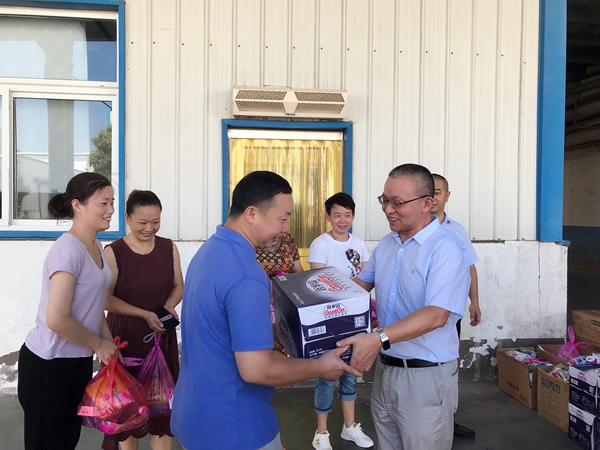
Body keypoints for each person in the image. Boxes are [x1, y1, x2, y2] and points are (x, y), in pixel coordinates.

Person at [171, 171, 361, 450]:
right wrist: (321, 366)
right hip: (236, 427)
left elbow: (219, 329)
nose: (286, 228)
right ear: (252, 213)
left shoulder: (209, 251)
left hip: (195, 415)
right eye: (283, 219)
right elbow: (258, 369)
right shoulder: (247, 274)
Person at [338, 163, 470, 450]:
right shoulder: (388, 245)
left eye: (397, 202)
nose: (388, 209)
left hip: (425, 377)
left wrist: (378, 338)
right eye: (384, 200)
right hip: (386, 370)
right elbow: (357, 288)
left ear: (427, 203)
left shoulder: (446, 248)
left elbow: (436, 315)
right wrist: (310, 299)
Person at [17, 172, 120, 450]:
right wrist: (98, 344)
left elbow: (94, 304)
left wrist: (108, 343)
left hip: (77, 361)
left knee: (66, 441)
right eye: (103, 203)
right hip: (48, 366)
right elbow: (57, 319)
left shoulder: (96, 246)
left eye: (112, 202)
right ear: (77, 205)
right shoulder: (67, 250)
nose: (111, 210)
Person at [102, 190, 184, 450]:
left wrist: (167, 306)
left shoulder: (168, 248)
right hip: (126, 338)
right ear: (127, 218)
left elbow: (178, 285)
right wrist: (144, 314)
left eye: (155, 222)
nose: (150, 228)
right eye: (143, 222)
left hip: (160, 336)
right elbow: (105, 299)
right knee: (129, 410)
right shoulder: (114, 252)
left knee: (162, 406)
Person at [307, 192, 374, 450]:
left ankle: (349, 427)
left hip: (355, 318)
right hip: (329, 318)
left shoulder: (359, 243)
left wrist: (352, 292)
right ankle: (321, 432)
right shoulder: (320, 244)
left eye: (347, 215)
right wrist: (349, 290)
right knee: (327, 375)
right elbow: (319, 283)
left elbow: (367, 279)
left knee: (350, 373)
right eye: (337, 215)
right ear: (328, 216)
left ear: (353, 216)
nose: (342, 220)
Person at [430, 173, 481, 439]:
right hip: (422, 313)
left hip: (451, 313)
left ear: (447, 196)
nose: (433, 198)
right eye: (429, 192)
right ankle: (426, 420)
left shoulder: (456, 230)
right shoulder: (413, 229)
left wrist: (475, 301)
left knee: (448, 364)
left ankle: (448, 419)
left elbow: (470, 267)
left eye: (438, 192)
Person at [256, 231, 304, 323]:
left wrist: (290, 279)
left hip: (287, 301)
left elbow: (298, 270)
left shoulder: (288, 239)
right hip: (261, 303)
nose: (285, 227)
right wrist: (276, 283)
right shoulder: (251, 243)